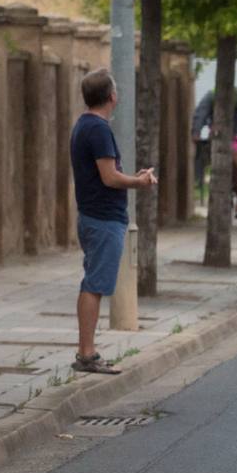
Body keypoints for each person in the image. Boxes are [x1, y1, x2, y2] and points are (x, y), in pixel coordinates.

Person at [69, 68, 157, 376]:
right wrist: (140, 183)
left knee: (91, 282)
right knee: (95, 285)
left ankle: (86, 352)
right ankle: (87, 354)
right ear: (112, 96)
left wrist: (132, 179)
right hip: (103, 218)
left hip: (94, 215)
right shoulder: (98, 129)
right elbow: (108, 177)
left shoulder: (84, 125)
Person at [190, 86, 237, 220]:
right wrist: (196, 132)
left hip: (235, 136)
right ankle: (206, 186)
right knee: (208, 159)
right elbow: (200, 113)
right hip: (216, 135)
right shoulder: (211, 96)